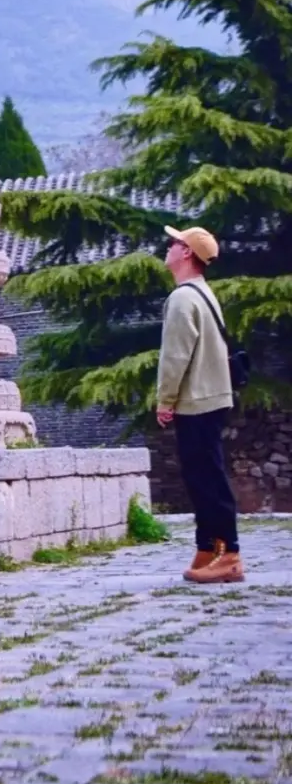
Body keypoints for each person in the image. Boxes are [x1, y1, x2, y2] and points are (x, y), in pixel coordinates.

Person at [156, 224, 242, 583]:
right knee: (202, 476)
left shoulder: (182, 299)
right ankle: (208, 548)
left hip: (197, 401)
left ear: (187, 253)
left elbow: (175, 357)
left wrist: (165, 400)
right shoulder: (201, 293)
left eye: (174, 243)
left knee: (207, 479)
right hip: (211, 397)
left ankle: (228, 554)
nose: (168, 247)